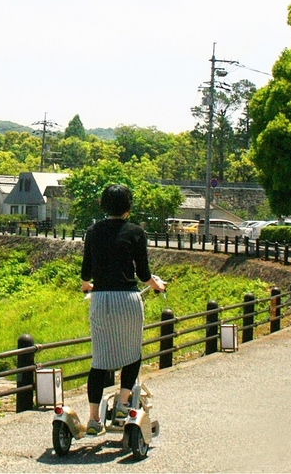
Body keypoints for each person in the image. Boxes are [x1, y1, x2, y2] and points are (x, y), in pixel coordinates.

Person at [81, 183, 166, 436]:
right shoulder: (136, 232)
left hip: (101, 300)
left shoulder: (93, 231)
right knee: (132, 354)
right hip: (128, 300)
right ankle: (123, 403)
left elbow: (86, 273)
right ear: (128, 207)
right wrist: (157, 285)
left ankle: (94, 419)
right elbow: (143, 274)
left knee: (99, 361)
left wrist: (88, 286)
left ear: (104, 206)